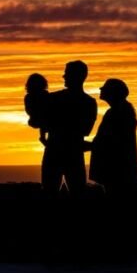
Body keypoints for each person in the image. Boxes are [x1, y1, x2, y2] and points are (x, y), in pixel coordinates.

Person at [41, 61, 97, 196]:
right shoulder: (88, 102)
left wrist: (45, 134)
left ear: (77, 76)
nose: (63, 76)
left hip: (61, 152)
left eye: (67, 73)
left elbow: (41, 119)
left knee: (71, 192)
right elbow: (84, 131)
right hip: (70, 152)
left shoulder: (54, 98)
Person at [88, 78, 137, 196]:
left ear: (113, 93)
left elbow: (110, 142)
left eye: (105, 88)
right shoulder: (120, 111)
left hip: (116, 170)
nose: (101, 89)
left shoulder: (117, 113)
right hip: (117, 169)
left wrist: (88, 145)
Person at [24, 72, 50, 146]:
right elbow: (28, 109)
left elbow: (28, 109)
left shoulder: (29, 96)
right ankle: (43, 138)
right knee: (43, 120)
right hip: (37, 117)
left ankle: (42, 137)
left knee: (43, 121)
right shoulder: (30, 97)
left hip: (38, 117)